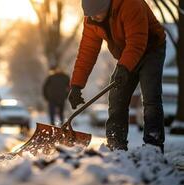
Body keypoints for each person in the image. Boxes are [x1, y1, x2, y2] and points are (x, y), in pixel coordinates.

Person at [68, 0, 166, 152]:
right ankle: (116, 144)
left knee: (151, 97)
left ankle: (153, 145)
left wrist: (124, 67)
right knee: (116, 97)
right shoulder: (91, 19)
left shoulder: (130, 4)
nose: (94, 17)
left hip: (151, 49)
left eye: (97, 13)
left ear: (107, 5)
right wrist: (76, 85)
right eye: (91, 15)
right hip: (126, 55)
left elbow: (137, 40)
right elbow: (87, 52)